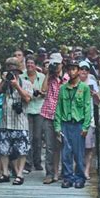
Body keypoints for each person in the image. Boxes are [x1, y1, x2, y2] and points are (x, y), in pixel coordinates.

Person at [0, 57, 33, 185]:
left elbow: (27, 98)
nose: (12, 74)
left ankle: (19, 174)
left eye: (14, 71)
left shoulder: (26, 83)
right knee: (3, 149)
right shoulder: (4, 83)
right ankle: (5, 173)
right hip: (5, 122)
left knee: (22, 150)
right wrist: (4, 82)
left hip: (20, 123)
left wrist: (16, 86)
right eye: (9, 70)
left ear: (18, 72)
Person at [54, 60, 91, 189]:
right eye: (69, 69)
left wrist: (86, 126)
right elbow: (58, 108)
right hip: (65, 124)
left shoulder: (84, 88)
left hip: (78, 124)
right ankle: (68, 177)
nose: (71, 72)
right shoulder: (63, 88)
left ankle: (80, 177)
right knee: (66, 152)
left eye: (74, 69)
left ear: (79, 71)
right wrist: (57, 127)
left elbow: (87, 108)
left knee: (78, 152)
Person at [40, 53, 66, 184]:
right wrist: (48, 74)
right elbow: (43, 90)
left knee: (63, 146)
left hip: (63, 117)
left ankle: (63, 173)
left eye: (57, 64)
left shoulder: (66, 78)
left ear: (62, 64)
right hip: (48, 115)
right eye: (53, 64)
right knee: (50, 147)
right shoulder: (49, 78)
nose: (55, 66)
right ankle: (49, 173)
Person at [78, 61, 100, 179]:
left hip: (89, 118)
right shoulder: (74, 82)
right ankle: (78, 168)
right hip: (76, 118)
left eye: (86, 69)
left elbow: (99, 101)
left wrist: (95, 94)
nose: (83, 71)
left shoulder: (92, 82)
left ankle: (86, 170)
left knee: (88, 147)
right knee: (76, 145)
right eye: (81, 69)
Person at [21, 55, 46, 172]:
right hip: (26, 109)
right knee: (28, 137)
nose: (30, 65)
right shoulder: (22, 77)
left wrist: (40, 93)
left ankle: (37, 162)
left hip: (39, 109)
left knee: (37, 137)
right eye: (28, 63)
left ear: (36, 65)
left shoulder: (42, 77)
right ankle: (28, 162)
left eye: (32, 63)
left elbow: (47, 93)